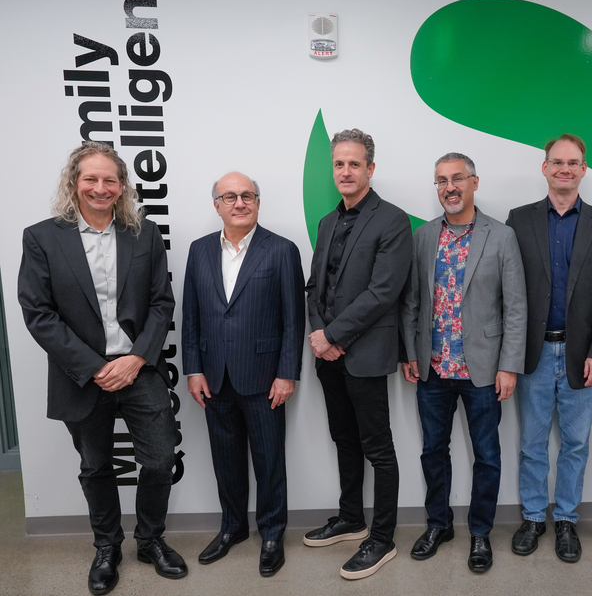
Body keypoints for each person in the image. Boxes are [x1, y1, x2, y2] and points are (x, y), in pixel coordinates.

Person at [18, 142, 185, 595]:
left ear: (123, 186)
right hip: (81, 374)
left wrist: (135, 359)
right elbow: (38, 313)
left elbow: (160, 303)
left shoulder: (143, 234)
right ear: (74, 182)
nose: (100, 187)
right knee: (96, 466)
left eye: (110, 179)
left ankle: (150, 540)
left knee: (161, 459)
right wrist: (95, 367)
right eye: (90, 178)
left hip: (139, 368)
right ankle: (107, 547)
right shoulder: (42, 237)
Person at [401, 153, 527, 573]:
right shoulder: (423, 237)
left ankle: (479, 532)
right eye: (441, 180)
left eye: (457, 178)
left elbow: (516, 307)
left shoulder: (501, 236)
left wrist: (509, 366)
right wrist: (409, 353)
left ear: (475, 183)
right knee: (433, 451)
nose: (449, 187)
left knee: (487, 454)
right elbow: (412, 302)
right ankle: (439, 524)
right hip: (433, 367)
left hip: (483, 370)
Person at [506, 134, 592, 563]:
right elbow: (511, 290)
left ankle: (568, 522)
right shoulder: (518, 220)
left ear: (584, 169)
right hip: (533, 354)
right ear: (544, 167)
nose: (564, 169)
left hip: (582, 356)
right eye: (557, 161)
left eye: (573, 163)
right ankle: (535, 517)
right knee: (532, 442)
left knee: (576, 444)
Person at [182, 172, 305, 577]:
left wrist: (287, 373)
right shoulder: (199, 251)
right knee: (225, 460)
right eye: (230, 196)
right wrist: (193, 369)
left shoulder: (281, 250)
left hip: (264, 377)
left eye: (248, 195)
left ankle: (272, 534)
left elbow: (293, 319)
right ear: (216, 204)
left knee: (269, 460)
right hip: (214, 376)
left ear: (257, 202)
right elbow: (191, 317)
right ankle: (232, 527)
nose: (240, 202)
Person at [304, 128, 412, 580]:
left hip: (364, 353)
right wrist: (317, 332)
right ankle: (351, 517)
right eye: (338, 164)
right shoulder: (329, 222)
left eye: (354, 163)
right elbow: (315, 286)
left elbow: (383, 291)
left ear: (370, 168)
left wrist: (334, 335)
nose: (345, 171)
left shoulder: (392, 219)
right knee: (343, 439)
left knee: (378, 448)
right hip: (327, 354)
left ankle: (382, 538)